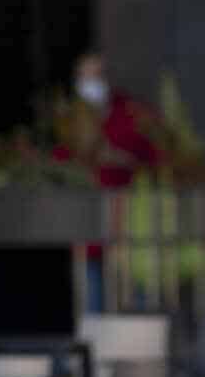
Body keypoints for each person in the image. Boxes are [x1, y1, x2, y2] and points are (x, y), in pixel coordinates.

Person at [54, 52, 163, 311]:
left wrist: (123, 159)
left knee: (135, 305)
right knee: (92, 305)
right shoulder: (70, 118)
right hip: (87, 228)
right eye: (86, 76)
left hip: (130, 226)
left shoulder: (130, 111)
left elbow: (155, 155)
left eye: (98, 75)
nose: (92, 82)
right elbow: (59, 160)